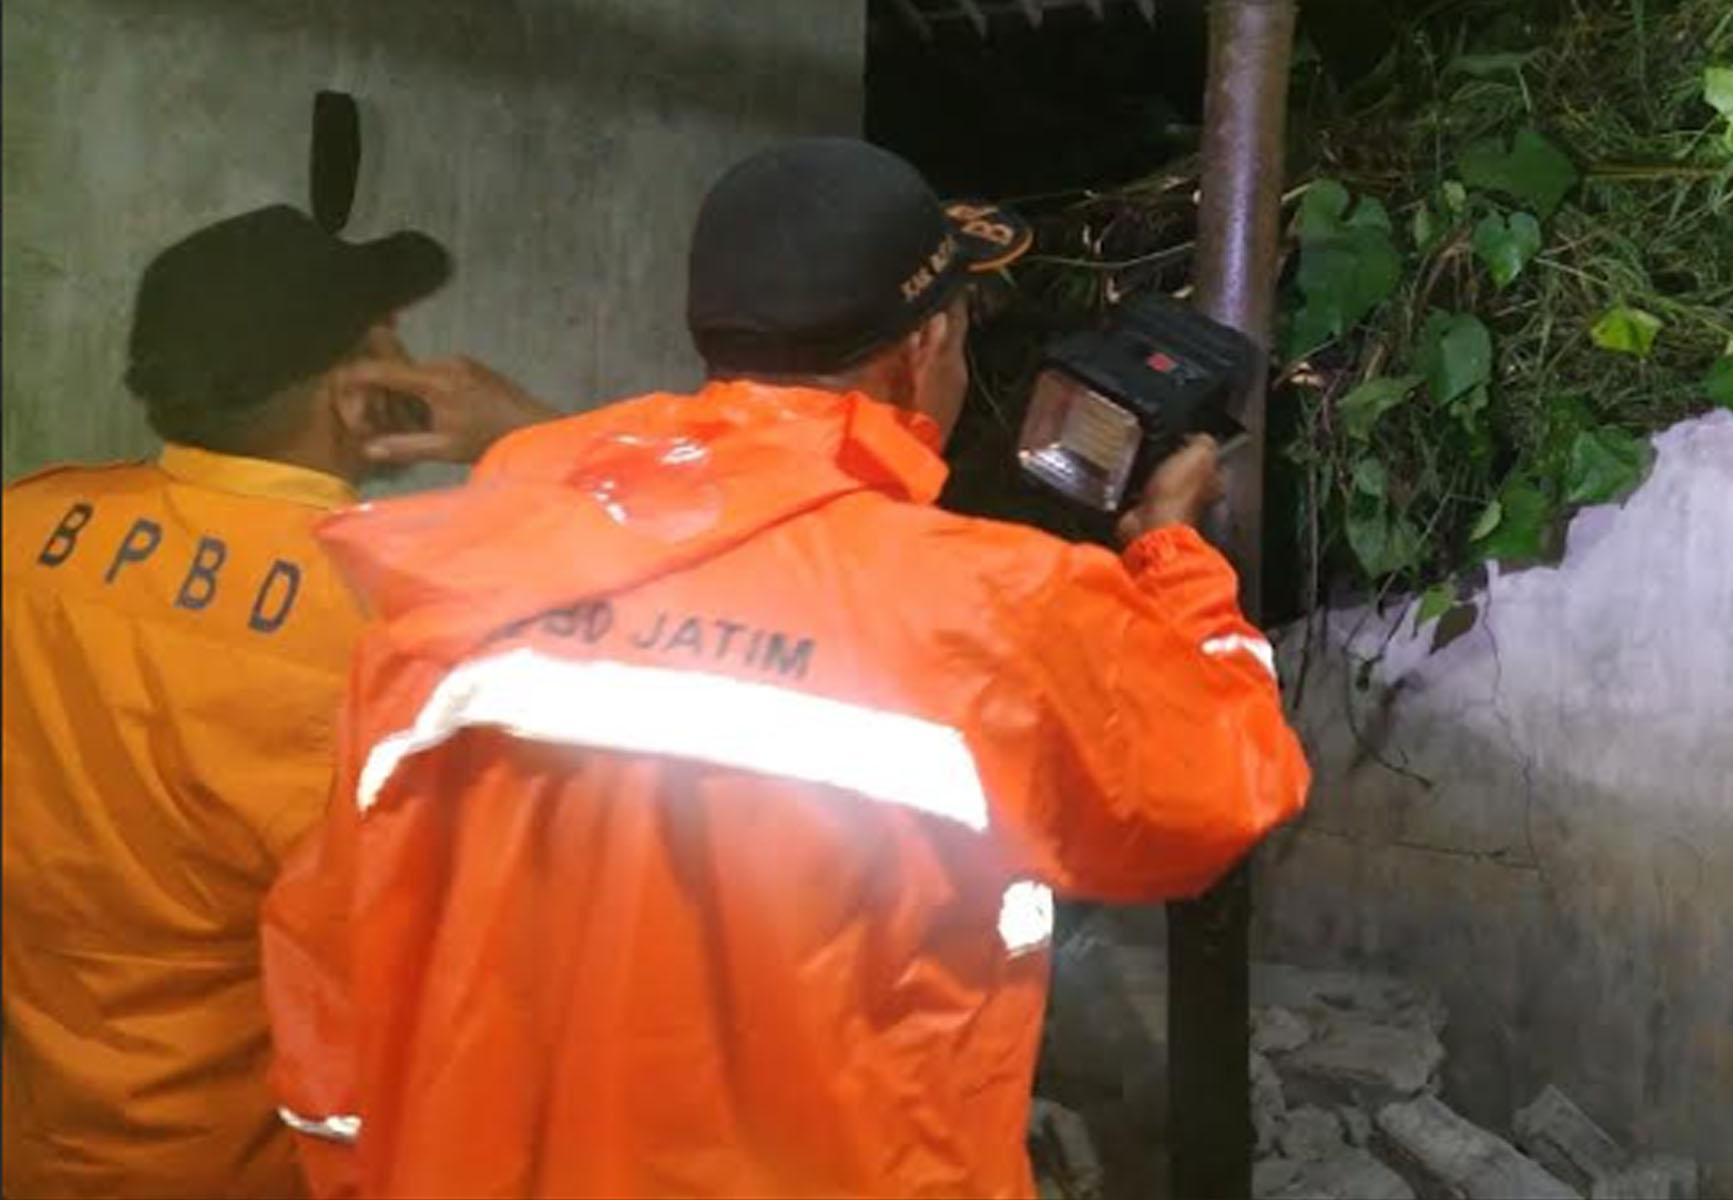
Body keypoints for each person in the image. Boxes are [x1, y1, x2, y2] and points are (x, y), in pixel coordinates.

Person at [264, 139, 1311, 1198]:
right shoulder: (994, 605)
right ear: (928, 342)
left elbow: (331, 962)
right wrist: (1176, 552)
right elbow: (1220, 786)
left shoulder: (462, 575)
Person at [0, 205, 550, 1199]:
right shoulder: (390, 622)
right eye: (393, 336)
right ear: (360, 389)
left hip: (40, 1145)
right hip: (242, 1166)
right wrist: (537, 443)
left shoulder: (24, 527)